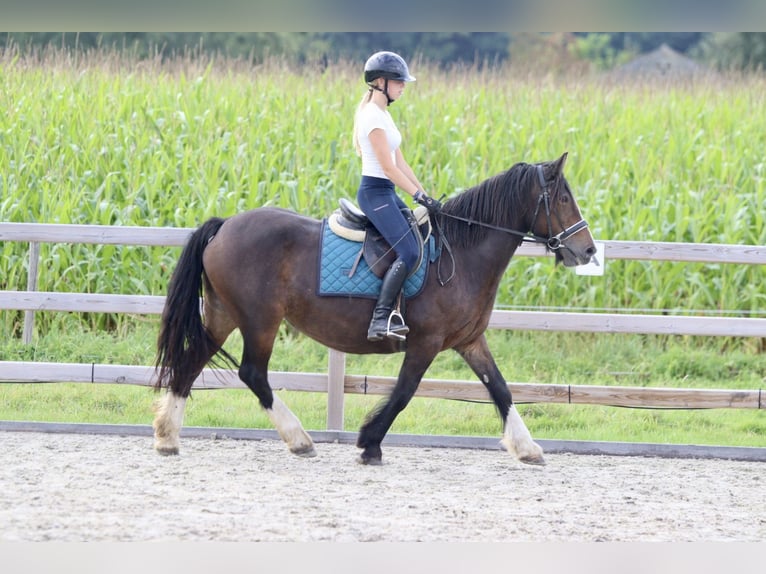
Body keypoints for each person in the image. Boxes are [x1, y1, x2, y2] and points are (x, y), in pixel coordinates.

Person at [353, 50, 442, 342]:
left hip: (387, 193)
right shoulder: (371, 118)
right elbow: (389, 169)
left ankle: (402, 311)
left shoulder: (384, 115)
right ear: (381, 82)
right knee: (410, 252)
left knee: (418, 236)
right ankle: (379, 320)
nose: (403, 86)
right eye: (399, 81)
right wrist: (417, 195)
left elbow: (401, 163)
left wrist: (425, 196)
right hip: (374, 192)